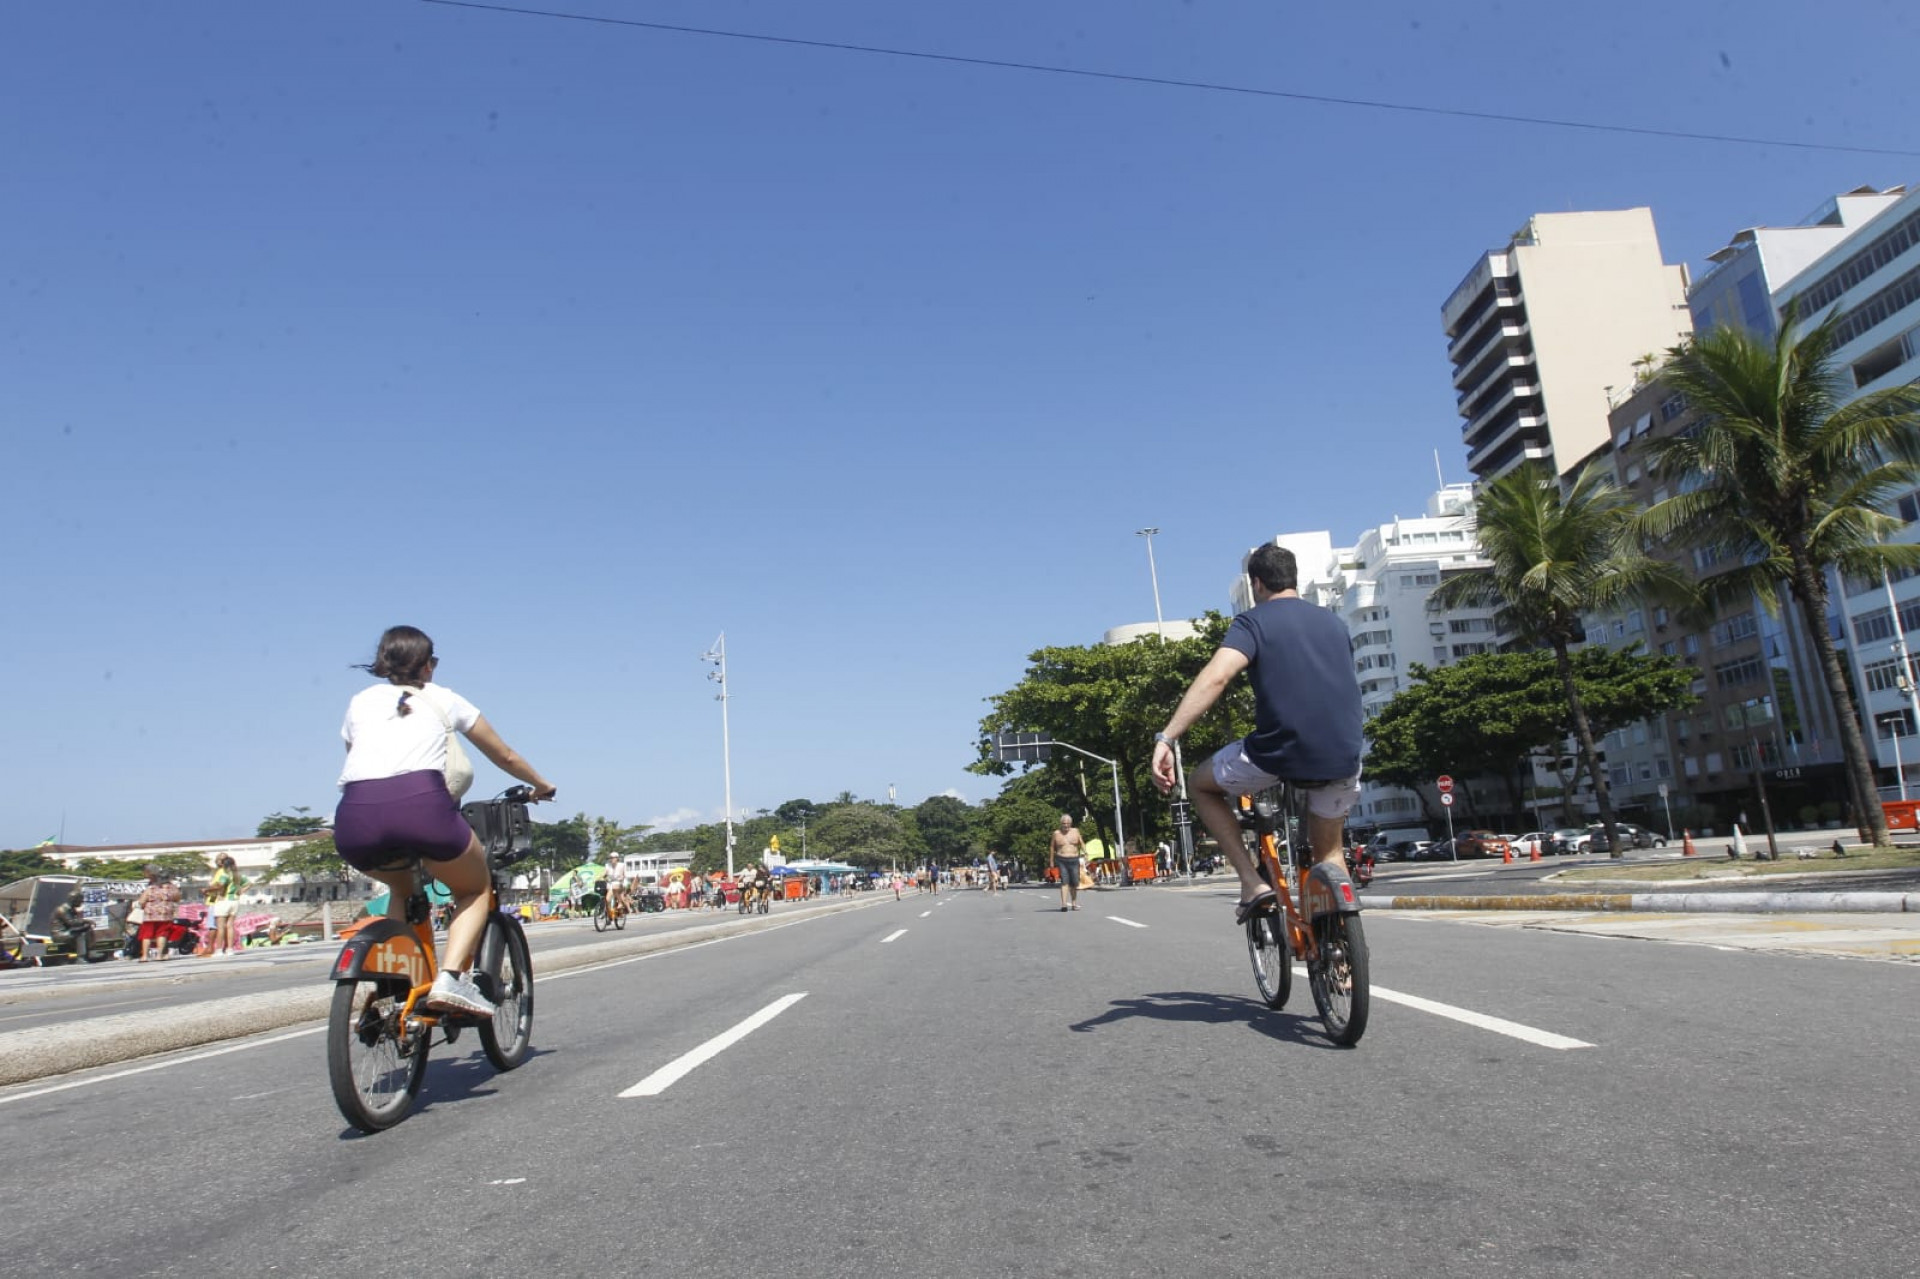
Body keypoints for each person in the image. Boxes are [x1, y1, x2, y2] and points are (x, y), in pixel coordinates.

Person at [333, 625, 556, 1017]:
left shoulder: (360, 701)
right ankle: (451, 979)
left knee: (401, 889)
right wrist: (540, 784)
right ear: (427, 665)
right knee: (474, 887)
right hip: (422, 808)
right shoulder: (444, 699)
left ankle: (395, 987)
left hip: (355, 818)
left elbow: (356, 753)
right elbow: (504, 756)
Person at [1150, 543, 1364, 923]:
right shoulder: (1335, 623)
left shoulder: (1253, 622)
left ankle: (1251, 882)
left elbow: (1216, 677)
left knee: (1201, 784)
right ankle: (1343, 960)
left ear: (1257, 583)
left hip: (1278, 753)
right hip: (1345, 755)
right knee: (1330, 855)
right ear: (1294, 579)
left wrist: (1168, 737)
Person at [135, 865, 182, 961]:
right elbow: (177, 898)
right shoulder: (172, 887)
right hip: (165, 914)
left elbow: (142, 901)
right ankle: (159, 955)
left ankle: (144, 956)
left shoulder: (151, 887)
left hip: (150, 915)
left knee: (146, 935)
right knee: (162, 934)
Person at [206, 853, 243, 957]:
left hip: (221, 900)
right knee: (229, 926)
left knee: (216, 926)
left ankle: (216, 949)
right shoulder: (236, 874)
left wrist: (208, 891)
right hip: (233, 901)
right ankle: (229, 948)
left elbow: (219, 887)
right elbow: (246, 884)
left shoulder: (223, 873)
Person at [1050, 815, 1086, 912]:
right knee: (1064, 881)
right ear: (1061, 824)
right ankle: (1064, 904)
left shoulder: (1076, 831)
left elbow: (1081, 843)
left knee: (1074, 883)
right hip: (1062, 859)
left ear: (1071, 824)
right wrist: (1051, 861)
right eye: (1064, 824)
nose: (1066, 826)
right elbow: (1052, 847)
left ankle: (1074, 904)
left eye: (1067, 824)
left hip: (1074, 859)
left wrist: (1085, 853)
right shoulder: (1056, 833)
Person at [51, 890, 95, 962]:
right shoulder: (62, 909)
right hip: (59, 934)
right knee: (80, 935)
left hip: (67, 932)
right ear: (74, 900)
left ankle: (90, 952)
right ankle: (80, 957)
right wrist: (86, 921)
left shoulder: (71, 909)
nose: (82, 902)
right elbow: (71, 922)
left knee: (87, 930)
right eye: (80, 900)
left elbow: (76, 921)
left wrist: (86, 925)